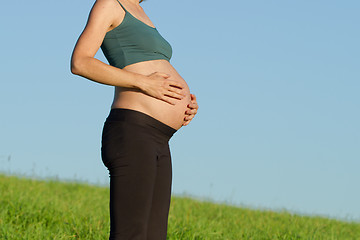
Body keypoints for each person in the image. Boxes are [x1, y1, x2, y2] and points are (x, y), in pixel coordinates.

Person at [70, 0, 199, 239]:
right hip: (133, 131)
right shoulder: (109, 4)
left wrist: (185, 104)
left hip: (160, 138)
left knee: (154, 235)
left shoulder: (141, 13)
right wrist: (143, 82)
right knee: (131, 234)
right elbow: (80, 62)